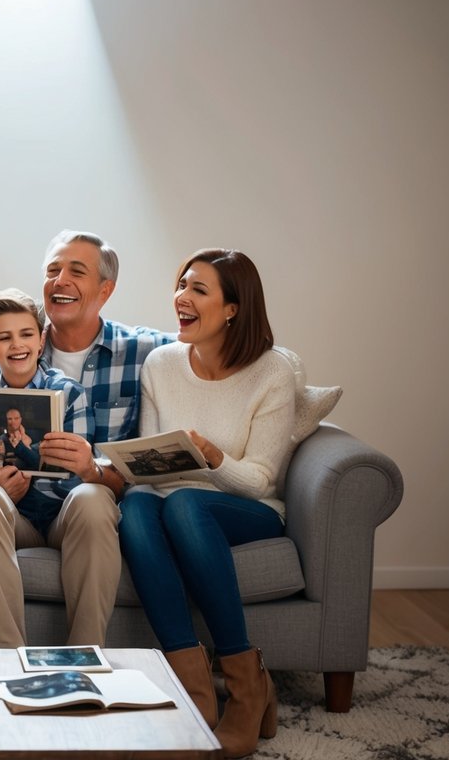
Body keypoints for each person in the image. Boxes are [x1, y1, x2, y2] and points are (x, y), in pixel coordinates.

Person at [0, 232, 175, 651]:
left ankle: (85, 655)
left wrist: (91, 467)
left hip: (71, 509)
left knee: (93, 497)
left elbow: (205, 349)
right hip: (12, 513)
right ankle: (3, 655)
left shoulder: (145, 350)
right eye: (53, 270)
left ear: (105, 291)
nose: (61, 280)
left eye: (77, 271)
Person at [118, 249, 291, 756]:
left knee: (186, 504)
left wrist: (214, 459)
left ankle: (246, 682)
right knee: (138, 507)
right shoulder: (161, 363)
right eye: (182, 285)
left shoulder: (272, 372)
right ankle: (192, 687)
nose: (182, 298)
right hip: (172, 503)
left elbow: (261, 480)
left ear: (233, 309)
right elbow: (151, 469)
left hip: (246, 509)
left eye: (199, 290)